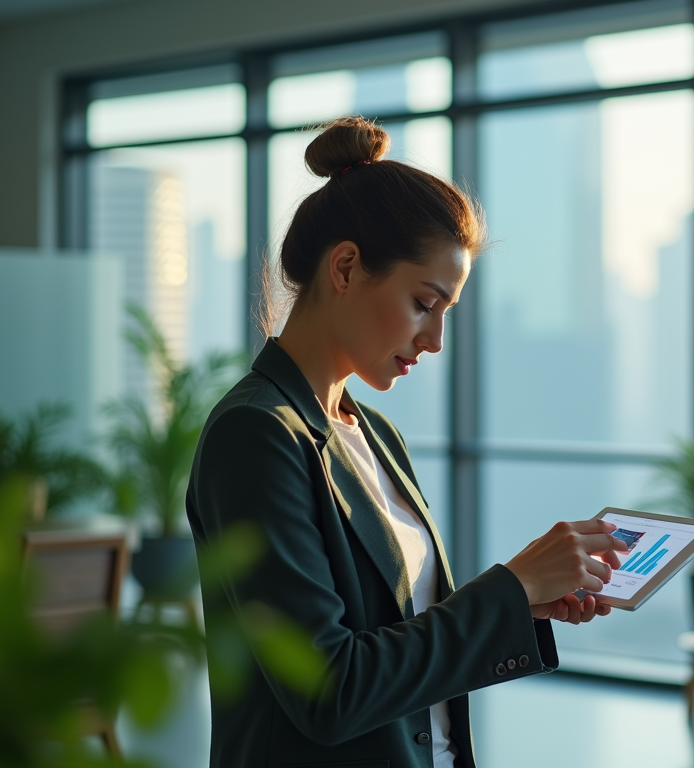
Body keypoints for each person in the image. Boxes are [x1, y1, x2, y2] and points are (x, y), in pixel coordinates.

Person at [186, 116, 629, 768]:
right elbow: (328, 688)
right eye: (425, 303)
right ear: (345, 266)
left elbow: (401, 632)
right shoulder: (256, 434)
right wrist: (506, 589)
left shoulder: (376, 435)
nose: (435, 340)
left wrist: (526, 599)